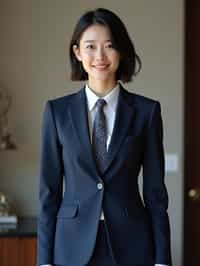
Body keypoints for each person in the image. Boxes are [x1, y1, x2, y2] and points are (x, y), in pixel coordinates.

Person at [37, 7, 172, 266]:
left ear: (121, 51)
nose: (99, 56)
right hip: (71, 246)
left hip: (132, 244)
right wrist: (44, 261)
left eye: (109, 46)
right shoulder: (57, 112)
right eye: (90, 46)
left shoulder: (146, 112)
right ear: (77, 52)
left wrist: (162, 260)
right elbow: (48, 192)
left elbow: (156, 194)